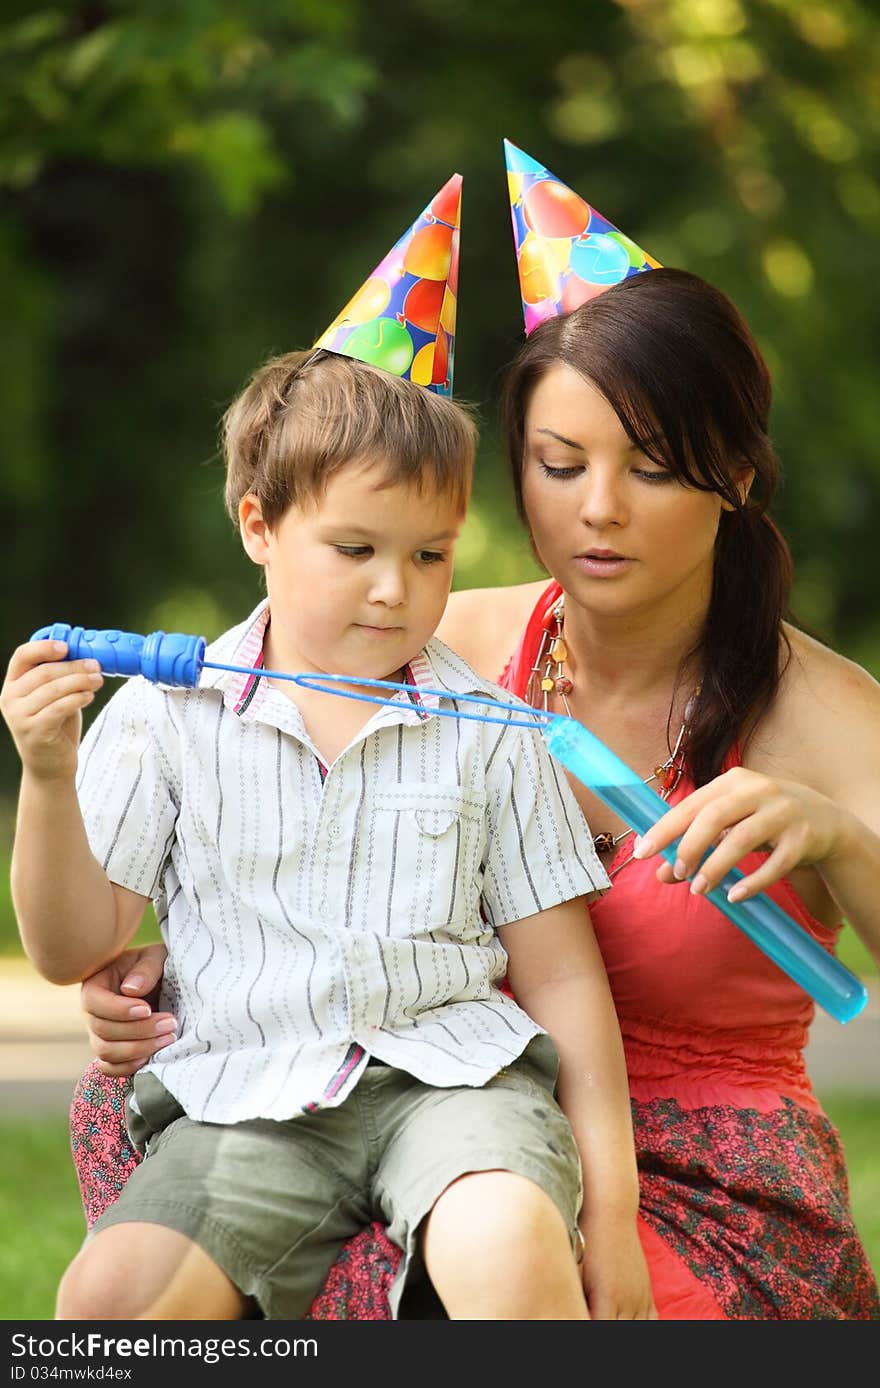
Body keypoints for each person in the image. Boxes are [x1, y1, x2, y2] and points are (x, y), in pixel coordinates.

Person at [77, 264, 880, 1320]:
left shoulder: (825, 709)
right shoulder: (434, 646)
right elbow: (273, 806)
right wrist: (154, 979)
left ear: (733, 473)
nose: (596, 509)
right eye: (558, 464)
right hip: (414, 1107)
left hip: (696, 1173)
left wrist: (839, 839)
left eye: (649, 468)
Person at [1, 339, 657, 1321]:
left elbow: (562, 974)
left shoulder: (491, 730)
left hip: (456, 1088)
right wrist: (48, 774)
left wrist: (610, 1218)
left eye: (429, 553)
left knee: (508, 1246)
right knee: (110, 1300)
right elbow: (71, 947)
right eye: (356, 549)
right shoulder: (163, 720)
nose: (395, 588)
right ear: (258, 525)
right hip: (245, 1100)